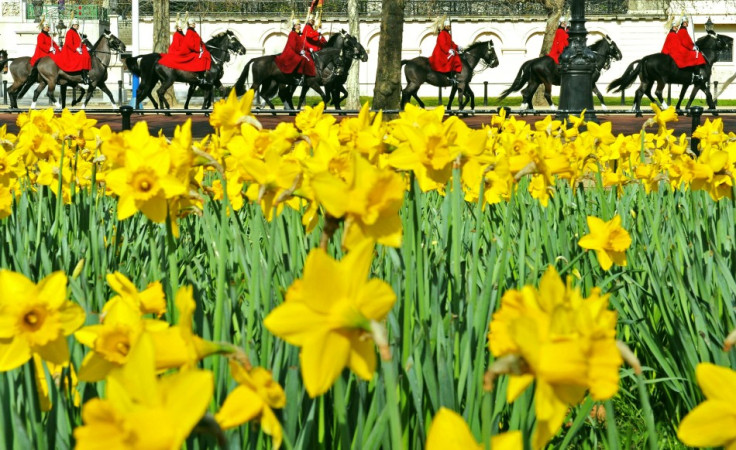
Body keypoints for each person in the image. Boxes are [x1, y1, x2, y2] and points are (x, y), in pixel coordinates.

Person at [275, 18, 316, 86]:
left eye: (300, 24)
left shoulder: (297, 35)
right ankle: (297, 77)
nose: (300, 26)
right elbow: (293, 45)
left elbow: (302, 44)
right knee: (302, 59)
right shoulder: (292, 34)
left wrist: (309, 48)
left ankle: (307, 76)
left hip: (296, 51)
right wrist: (300, 51)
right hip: (290, 52)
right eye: (298, 25)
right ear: (294, 26)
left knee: (309, 57)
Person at [57, 17, 91, 85]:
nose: (77, 26)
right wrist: (76, 49)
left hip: (77, 49)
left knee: (87, 54)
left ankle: (87, 72)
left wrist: (84, 46)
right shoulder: (70, 32)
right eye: (76, 25)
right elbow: (69, 43)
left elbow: (78, 42)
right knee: (82, 57)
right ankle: (84, 76)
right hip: (70, 50)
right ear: (73, 25)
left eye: (78, 25)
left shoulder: (76, 33)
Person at [429, 18, 462, 85]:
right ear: (445, 26)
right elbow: (442, 44)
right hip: (441, 52)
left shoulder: (447, 34)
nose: (450, 27)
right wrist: (448, 50)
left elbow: (451, 43)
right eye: (449, 26)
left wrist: (457, 47)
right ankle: (449, 76)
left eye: (450, 26)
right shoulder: (442, 34)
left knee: (456, 54)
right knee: (452, 57)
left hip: (446, 51)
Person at [183, 17, 212, 85]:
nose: (194, 24)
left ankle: (205, 73)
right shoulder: (189, 32)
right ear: (190, 24)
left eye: (194, 23)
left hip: (199, 49)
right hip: (193, 51)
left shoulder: (193, 31)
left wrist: (203, 46)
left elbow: (199, 40)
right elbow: (190, 43)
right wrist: (198, 49)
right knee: (201, 58)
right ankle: (200, 76)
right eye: (193, 24)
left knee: (207, 54)